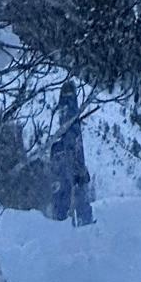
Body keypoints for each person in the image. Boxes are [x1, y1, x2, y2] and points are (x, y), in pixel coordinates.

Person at [50, 79, 94, 227]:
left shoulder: (64, 118)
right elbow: (74, 140)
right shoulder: (71, 123)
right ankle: (83, 222)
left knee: (63, 192)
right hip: (70, 158)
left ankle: (62, 222)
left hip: (63, 159)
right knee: (76, 190)